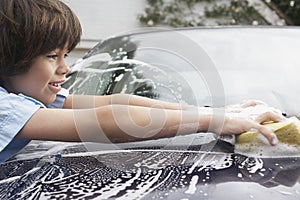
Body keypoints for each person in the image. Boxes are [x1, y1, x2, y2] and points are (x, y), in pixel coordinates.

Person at [0, 0, 285, 163]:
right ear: (9, 57)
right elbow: (106, 120)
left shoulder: (27, 98)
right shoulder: (6, 108)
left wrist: (218, 113)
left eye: (66, 55)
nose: (66, 68)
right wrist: (211, 121)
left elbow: (115, 102)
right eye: (52, 56)